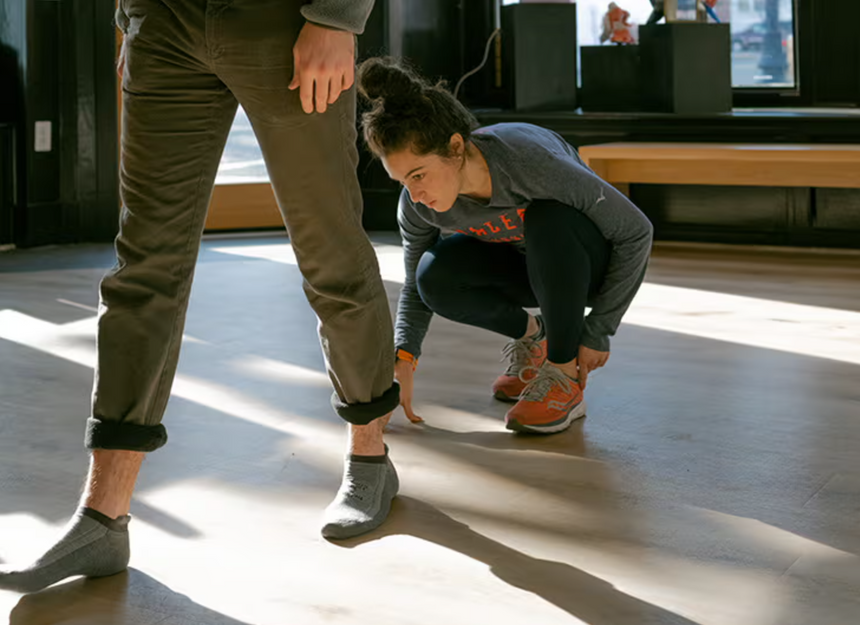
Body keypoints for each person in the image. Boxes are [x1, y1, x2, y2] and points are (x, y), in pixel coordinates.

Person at [0, 0, 400, 595]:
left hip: (286, 20)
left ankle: (370, 458)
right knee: (144, 266)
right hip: (165, 23)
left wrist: (337, 15)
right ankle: (103, 516)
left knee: (328, 247)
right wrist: (131, 14)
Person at [357, 58, 653, 435]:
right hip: (528, 268)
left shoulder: (529, 163)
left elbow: (635, 231)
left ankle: (564, 378)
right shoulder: (417, 206)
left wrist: (599, 329)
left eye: (418, 175)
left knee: (547, 219)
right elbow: (417, 287)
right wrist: (403, 356)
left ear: (455, 147)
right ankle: (537, 338)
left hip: (584, 266)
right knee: (433, 273)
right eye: (401, 181)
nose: (414, 194)